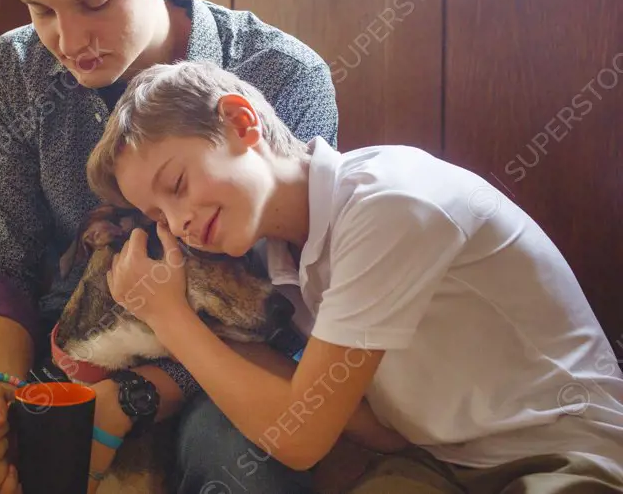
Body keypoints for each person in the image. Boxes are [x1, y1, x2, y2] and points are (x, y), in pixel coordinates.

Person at [0, 0, 361, 494]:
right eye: (41, 10)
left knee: (244, 468)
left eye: (96, 0)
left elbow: (288, 311)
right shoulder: (16, 69)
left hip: (223, 357)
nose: (68, 40)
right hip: (63, 341)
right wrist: (2, 389)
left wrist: (130, 399)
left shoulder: (281, 76)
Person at [85, 59, 623, 492]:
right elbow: (377, 430)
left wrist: (170, 318)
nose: (178, 223)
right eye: (158, 217)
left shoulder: (386, 207)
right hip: (439, 462)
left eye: (176, 184)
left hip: (566, 458)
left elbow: (297, 436)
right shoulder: (285, 261)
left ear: (241, 123)